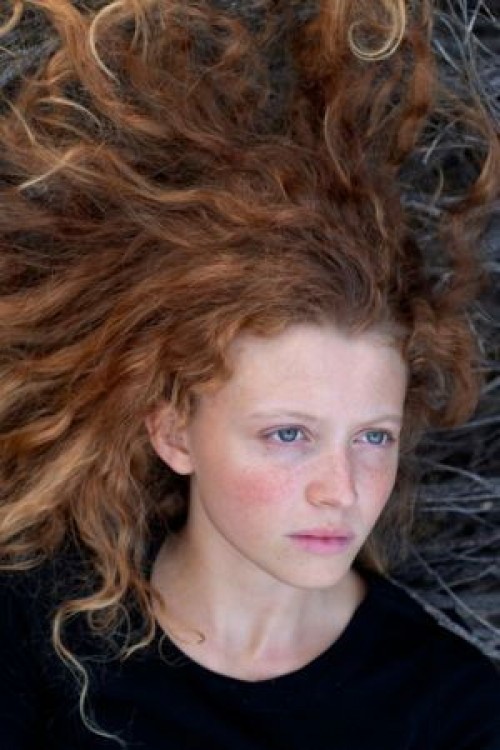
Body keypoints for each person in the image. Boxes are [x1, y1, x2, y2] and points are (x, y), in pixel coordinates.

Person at [0, 1, 499, 748]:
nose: (342, 489)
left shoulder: (454, 711)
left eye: (373, 436)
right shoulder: (35, 637)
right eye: (288, 434)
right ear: (174, 431)